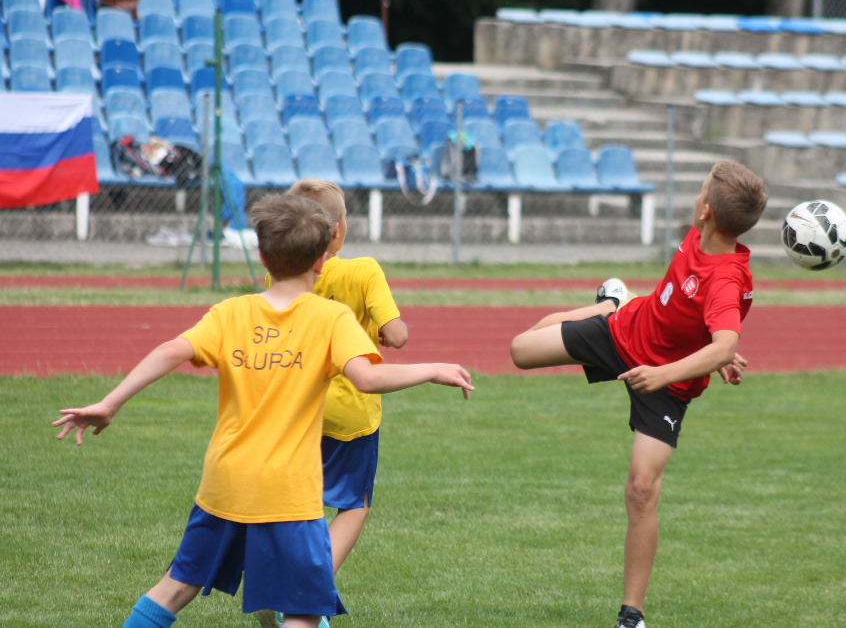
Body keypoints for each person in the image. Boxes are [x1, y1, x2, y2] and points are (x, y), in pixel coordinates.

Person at [53, 194, 474, 628]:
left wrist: (109, 403)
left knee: (177, 587)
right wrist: (432, 369)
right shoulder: (331, 318)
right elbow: (366, 378)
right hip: (288, 490)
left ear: (261, 257)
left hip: (225, 480)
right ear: (323, 260)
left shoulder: (231, 312)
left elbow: (170, 350)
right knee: (304, 612)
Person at [509, 160, 767, 628]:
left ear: (706, 211)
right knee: (520, 350)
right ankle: (610, 302)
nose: (695, 196)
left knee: (641, 489)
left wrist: (686, 366)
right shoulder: (701, 237)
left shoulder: (726, 277)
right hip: (625, 330)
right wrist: (710, 348)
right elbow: (703, 323)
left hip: (665, 383)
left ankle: (632, 615)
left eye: (699, 190)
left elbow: (725, 339)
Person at [257, 179, 408, 626]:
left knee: (301, 504)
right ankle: (306, 594)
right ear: (338, 231)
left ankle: (278, 581)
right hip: (351, 414)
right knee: (353, 506)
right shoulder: (363, 271)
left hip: (298, 407)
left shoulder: (277, 275)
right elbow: (397, 335)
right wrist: (375, 332)